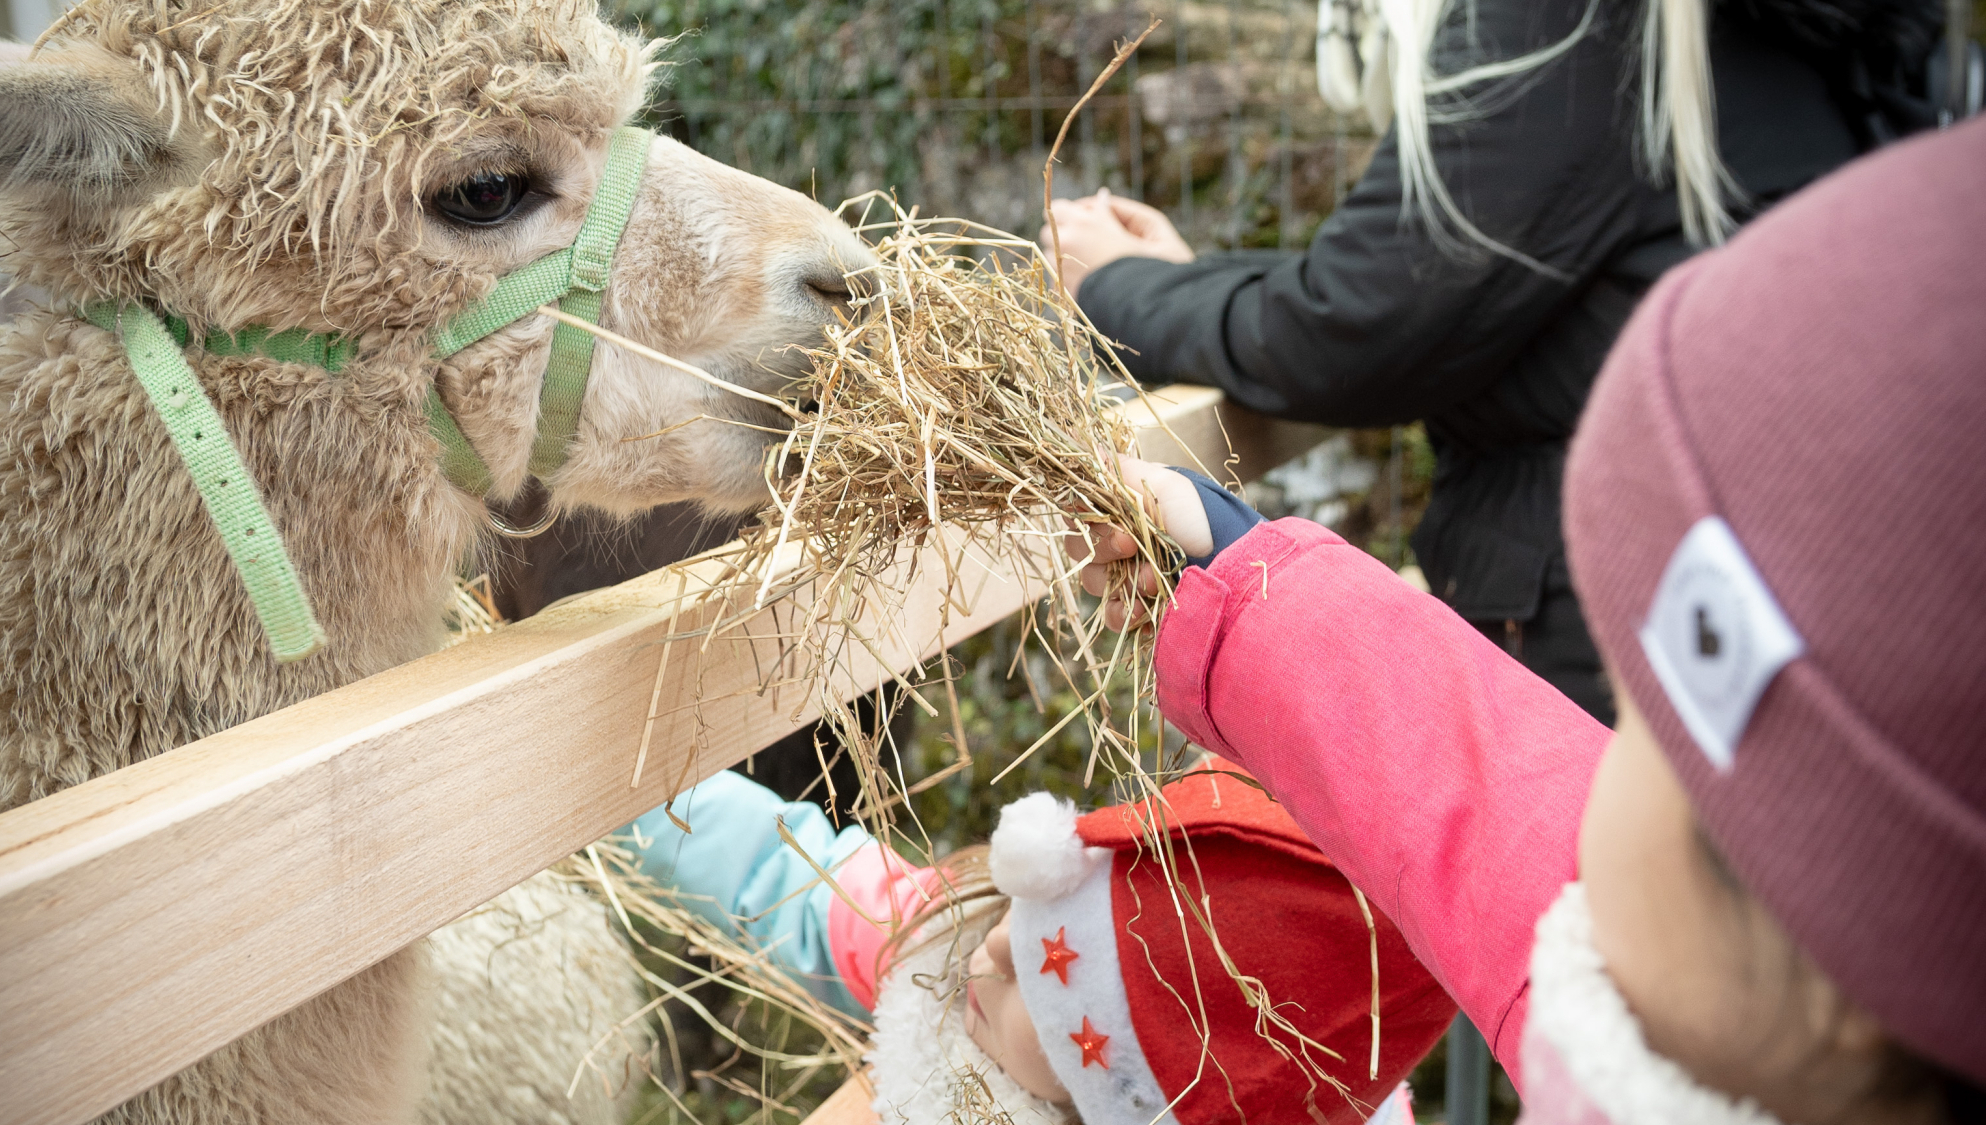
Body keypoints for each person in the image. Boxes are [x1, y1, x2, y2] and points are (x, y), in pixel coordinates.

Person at [1066, 118, 1986, 1121]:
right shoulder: (1721, 1007)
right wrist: (1237, 567)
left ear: (1832, 951)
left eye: (1646, 726)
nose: (1599, 756)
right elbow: (1502, 814)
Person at [1042, 0, 1951, 725]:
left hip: (1607, 625)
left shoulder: (1577, 28)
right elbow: (1444, 281)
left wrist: (1115, 285)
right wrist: (1193, 283)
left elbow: (1360, 327)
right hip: (1766, 604)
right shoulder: (1811, 40)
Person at [622, 760, 1458, 1125]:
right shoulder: (950, 949)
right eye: (1026, 919)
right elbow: (789, 878)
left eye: (1039, 978)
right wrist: (631, 803)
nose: (992, 948)